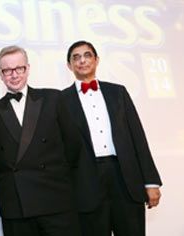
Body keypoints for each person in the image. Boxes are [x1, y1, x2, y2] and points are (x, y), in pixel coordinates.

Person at [62, 40, 162, 236]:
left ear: (97, 60)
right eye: (76, 57)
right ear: (69, 65)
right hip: (86, 182)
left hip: (124, 178)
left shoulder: (118, 92)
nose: (82, 61)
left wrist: (151, 182)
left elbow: (137, 136)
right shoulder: (61, 100)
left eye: (87, 55)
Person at [0, 45, 82, 236]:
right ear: (0, 74)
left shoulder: (53, 98)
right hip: (16, 204)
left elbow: (73, 145)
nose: (14, 75)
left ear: (28, 68)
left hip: (55, 199)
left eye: (19, 68)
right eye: (7, 70)